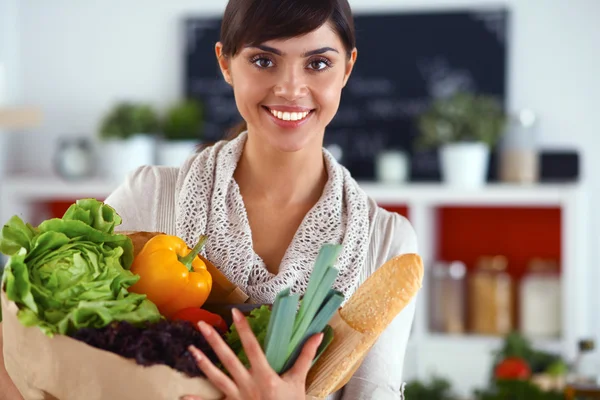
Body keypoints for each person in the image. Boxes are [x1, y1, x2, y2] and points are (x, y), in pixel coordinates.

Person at [0, 0, 418, 399]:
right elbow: (34, 343)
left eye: (318, 63)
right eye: (263, 60)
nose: (291, 87)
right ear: (224, 63)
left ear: (347, 68)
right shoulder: (150, 196)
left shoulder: (385, 244)